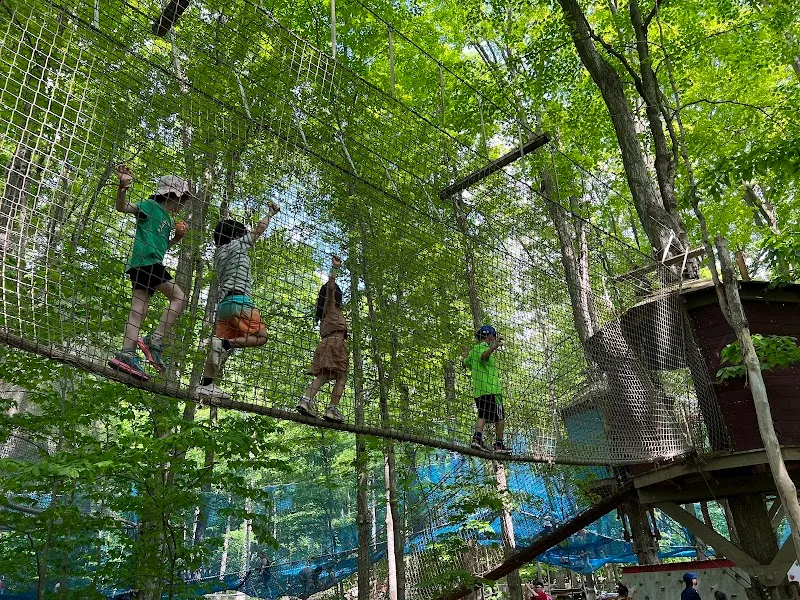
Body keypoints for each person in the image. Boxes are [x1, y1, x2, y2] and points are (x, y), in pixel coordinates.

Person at [108, 166, 190, 380]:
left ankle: (126, 354)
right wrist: (123, 185)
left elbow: (162, 248)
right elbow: (122, 207)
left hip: (142, 264)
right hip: (147, 263)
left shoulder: (168, 220)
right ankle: (154, 340)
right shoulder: (150, 206)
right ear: (174, 196)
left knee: (138, 311)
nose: (183, 205)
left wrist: (176, 239)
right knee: (179, 297)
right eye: (183, 200)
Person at [194, 203, 280, 400]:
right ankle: (225, 343)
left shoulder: (218, 254)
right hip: (240, 300)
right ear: (236, 235)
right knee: (261, 337)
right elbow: (259, 230)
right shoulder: (237, 245)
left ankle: (205, 384)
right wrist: (270, 214)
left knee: (218, 349)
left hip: (223, 305)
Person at [296, 256, 347, 423]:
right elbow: (331, 288)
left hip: (326, 344)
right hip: (335, 344)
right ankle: (332, 409)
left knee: (324, 375)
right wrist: (334, 270)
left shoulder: (325, 315)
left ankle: (306, 400)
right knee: (342, 376)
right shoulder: (331, 306)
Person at [462, 325, 511, 454]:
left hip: (479, 392)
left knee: (482, 416)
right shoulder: (484, 348)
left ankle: (477, 439)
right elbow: (484, 357)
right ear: (490, 337)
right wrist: (494, 347)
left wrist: (465, 355)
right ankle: (499, 445)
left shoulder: (473, 351)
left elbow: (465, 363)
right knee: (500, 418)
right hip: (492, 390)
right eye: (493, 338)